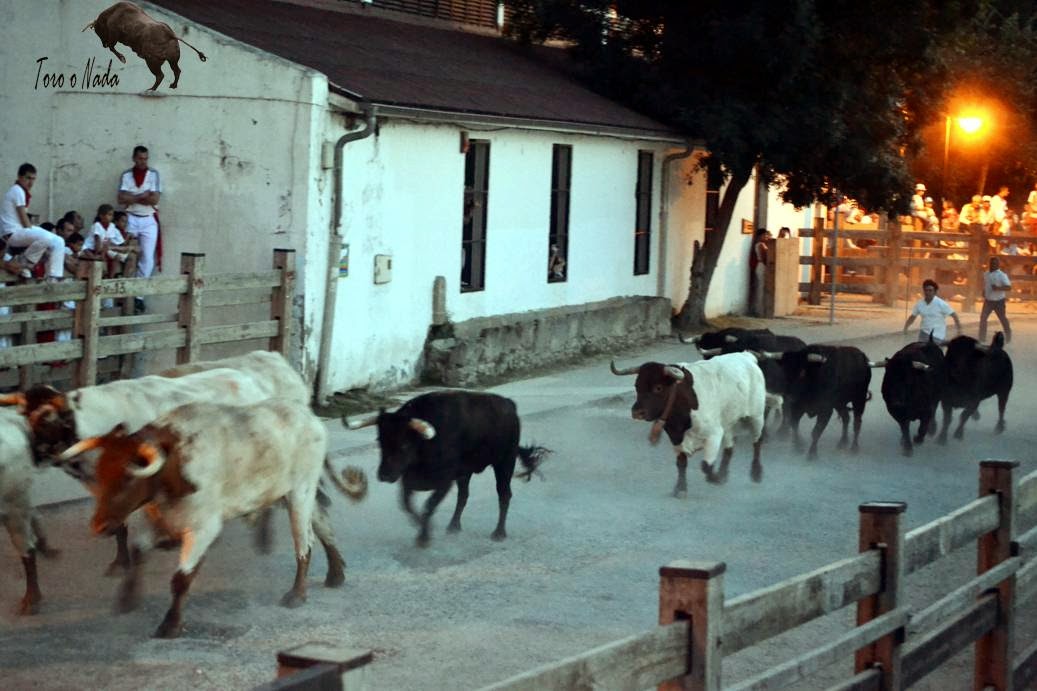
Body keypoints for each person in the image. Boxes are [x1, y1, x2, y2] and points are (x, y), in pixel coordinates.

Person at [0, 163, 66, 281]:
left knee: (59, 241)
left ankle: (54, 277)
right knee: (46, 238)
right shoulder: (17, 190)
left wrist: (35, 230)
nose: (31, 182)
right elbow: (24, 220)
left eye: (33, 179)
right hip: (12, 234)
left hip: (19, 231)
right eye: (28, 178)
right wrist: (35, 230)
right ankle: (23, 262)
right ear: (20, 177)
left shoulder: (21, 191)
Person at [118, 145, 161, 278]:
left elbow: (154, 199)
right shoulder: (126, 175)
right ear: (134, 158)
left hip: (148, 218)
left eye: (145, 159)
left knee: (147, 257)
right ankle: (125, 284)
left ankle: (140, 288)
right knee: (127, 253)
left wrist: (131, 198)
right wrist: (143, 196)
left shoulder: (153, 174)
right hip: (130, 218)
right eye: (140, 158)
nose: (143, 161)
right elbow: (120, 199)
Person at [903, 278, 962, 345]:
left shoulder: (941, 304)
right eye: (926, 290)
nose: (927, 292)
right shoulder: (920, 304)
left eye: (930, 290)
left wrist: (959, 331)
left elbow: (954, 315)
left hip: (937, 335)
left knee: (935, 350)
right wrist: (906, 327)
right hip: (924, 334)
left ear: (935, 292)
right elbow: (912, 317)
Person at [979, 256, 1012, 343]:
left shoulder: (1002, 275)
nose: (993, 265)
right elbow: (986, 284)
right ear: (989, 264)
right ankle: (982, 338)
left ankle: (1008, 334)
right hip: (988, 300)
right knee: (983, 318)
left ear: (998, 265)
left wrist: (998, 288)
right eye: (991, 263)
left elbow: (1009, 287)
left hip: (999, 301)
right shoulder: (986, 274)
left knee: (1002, 318)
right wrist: (984, 291)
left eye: (995, 264)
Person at [749, 227, 772, 317]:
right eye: (764, 235)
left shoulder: (761, 244)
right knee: (761, 287)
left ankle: (760, 309)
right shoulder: (761, 245)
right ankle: (759, 310)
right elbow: (764, 257)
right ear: (760, 236)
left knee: (761, 287)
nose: (766, 237)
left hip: (760, 265)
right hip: (762, 265)